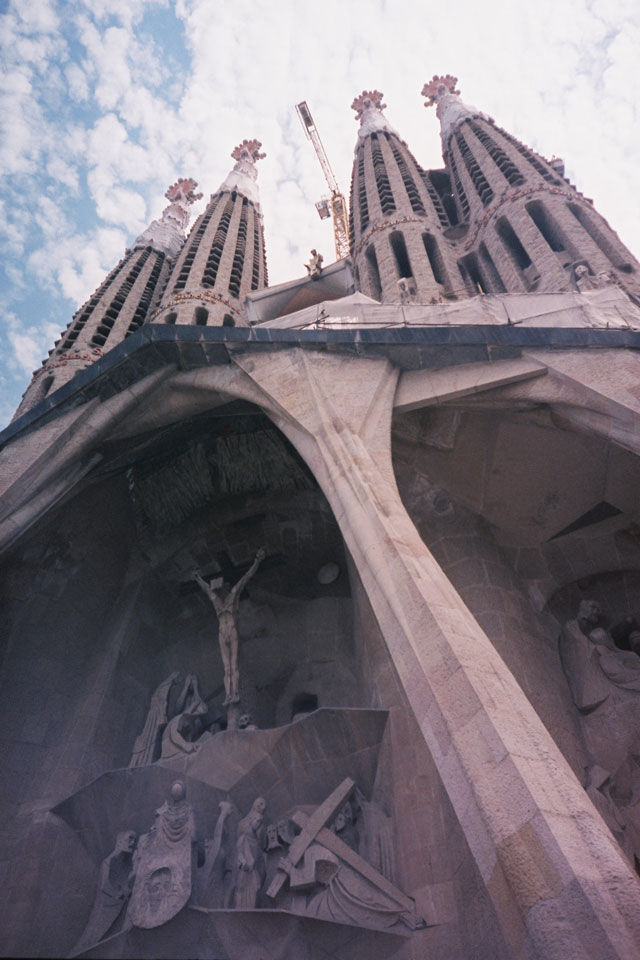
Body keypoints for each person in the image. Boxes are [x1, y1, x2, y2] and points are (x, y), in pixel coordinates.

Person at [194, 549, 265, 704]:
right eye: (219, 589)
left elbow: (246, 577)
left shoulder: (233, 595)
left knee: (234, 665)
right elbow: (206, 589)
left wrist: (257, 561)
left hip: (231, 631)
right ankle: (228, 696)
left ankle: (236, 693)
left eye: (222, 588)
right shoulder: (216, 600)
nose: (220, 590)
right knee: (226, 668)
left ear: (226, 587)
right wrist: (198, 578)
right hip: (222, 633)